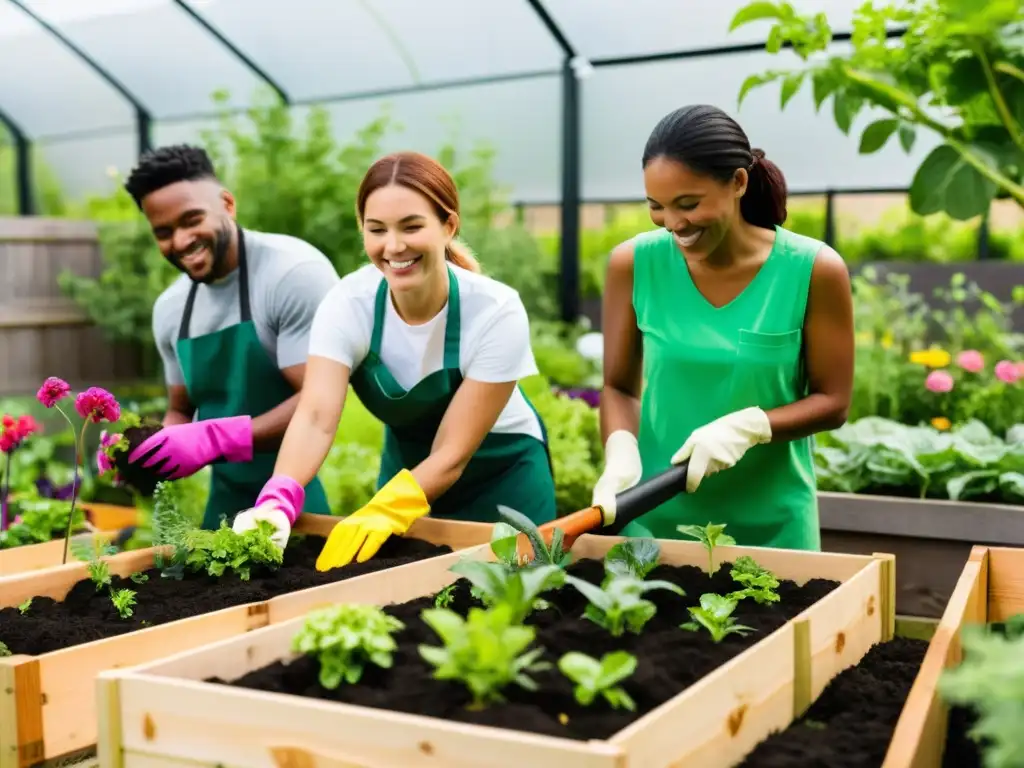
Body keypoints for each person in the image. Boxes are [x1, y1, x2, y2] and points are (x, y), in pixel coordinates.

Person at [231, 151, 557, 566]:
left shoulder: (494, 310)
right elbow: (315, 416)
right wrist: (279, 497)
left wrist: (386, 511)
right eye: (377, 230)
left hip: (503, 472)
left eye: (412, 226)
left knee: (515, 602)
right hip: (408, 470)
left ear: (448, 226)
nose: (394, 246)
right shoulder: (349, 305)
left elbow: (452, 452)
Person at [591, 104, 854, 551]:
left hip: (773, 527)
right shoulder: (633, 264)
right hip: (656, 519)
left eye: (689, 204)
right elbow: (618, 387)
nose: (674, 224)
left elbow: (833, 402)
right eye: (656, 207)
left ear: (738, 182)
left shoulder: (812, 270)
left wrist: (751, 426)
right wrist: (619, 449)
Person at [122, 144, 339, 532]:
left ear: (227, 204)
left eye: (192, 220)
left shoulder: (291, 274)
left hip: (293, 499)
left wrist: (217, 439)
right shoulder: (171, 309)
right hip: (219, 510)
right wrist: (151, 452)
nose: (182, 240)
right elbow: (181, 410)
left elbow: (321, 400)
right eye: (164, 232)